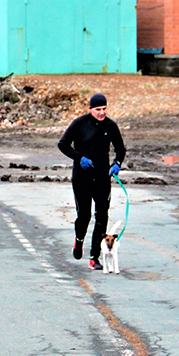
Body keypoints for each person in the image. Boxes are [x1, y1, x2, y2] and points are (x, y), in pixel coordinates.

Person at [58, 93, 126, 270]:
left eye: (104, 109)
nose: (102, 112)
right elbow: (63, 144)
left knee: (102, 216)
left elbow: (120, 149)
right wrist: (79, 158)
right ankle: (78, 240)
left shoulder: (111, 126)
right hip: (82, 178)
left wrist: (117, 163)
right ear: (90, 109)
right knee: (84, 216)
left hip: (103, 178)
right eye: (98, 110)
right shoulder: (80, 123)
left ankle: (94, 256)